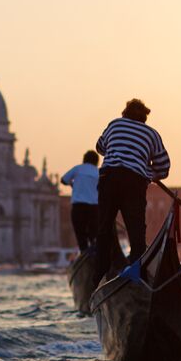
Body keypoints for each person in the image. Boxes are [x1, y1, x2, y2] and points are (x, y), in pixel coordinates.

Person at [93, 98, 170, 266]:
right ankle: (137, 271)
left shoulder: (115, 124)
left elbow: (100, 147)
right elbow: (164, 168)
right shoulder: (152, 134)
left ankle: (100, 272)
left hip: (109, 178)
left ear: (124, 114)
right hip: (134, 182)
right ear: (144, 118)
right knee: (136, 231)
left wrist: (116, 150)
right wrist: (147, 171)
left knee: (104, 228)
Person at [60, 150, 103, 251]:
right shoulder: (98, 172)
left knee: (80, 234)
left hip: (79, 207)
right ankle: (93, 254)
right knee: (93, 235)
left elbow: (63, 180)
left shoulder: (78, 169)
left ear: (84, 159)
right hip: (94, 208)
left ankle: (84, 253)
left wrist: (73, 184)